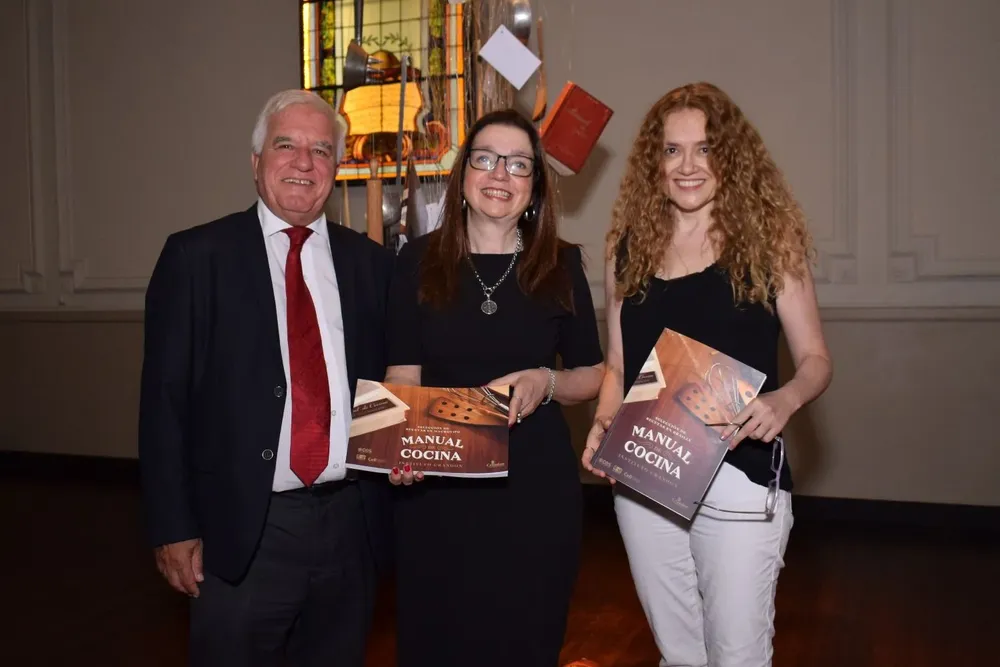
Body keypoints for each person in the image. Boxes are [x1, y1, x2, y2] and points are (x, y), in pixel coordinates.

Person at [138, 89, 395, 667]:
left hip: (351, 527)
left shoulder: (373, 266)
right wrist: (172, 527)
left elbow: (388, 383)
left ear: (337, 167)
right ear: (256, 162)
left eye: (321, 150)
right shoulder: (196, 258)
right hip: (240, 533)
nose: (304, 162)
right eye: (286, 145)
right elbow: (163, 405)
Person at [582, 82, 833, 667]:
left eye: (705, 148)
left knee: (737, 657)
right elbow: (618, 363)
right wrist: (602, 421)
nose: (688, 166)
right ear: (654, 161)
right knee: (679, 656)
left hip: (740, 478)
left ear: (731, 156)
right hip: (647, 476)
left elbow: (817, 360)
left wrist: (786, 400)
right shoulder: (626, 247)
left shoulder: (769, 244)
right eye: (672, 150)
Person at [383, 108, 604, 667]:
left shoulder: (561, 264)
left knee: (524, 641)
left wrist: (545, 381)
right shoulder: (416, 260)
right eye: (485, 159)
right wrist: (396, 447)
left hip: (533, 493)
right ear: (463, 174)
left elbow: (592, 374)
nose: (500, 174)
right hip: (437, 491)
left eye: (518, 164)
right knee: (437, 643)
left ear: (535, 185)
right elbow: (403, 374)